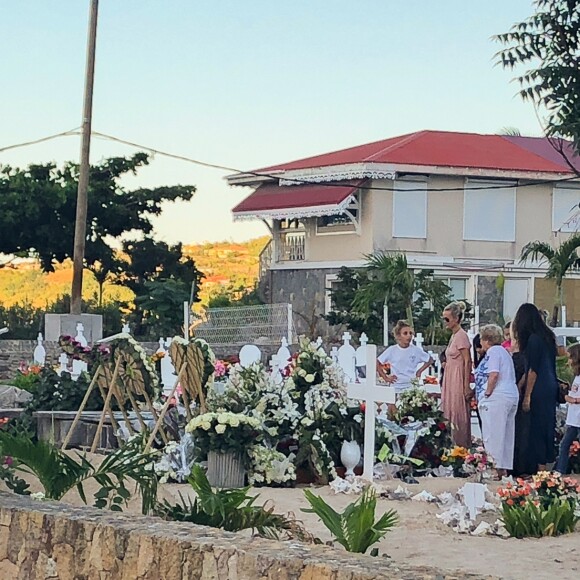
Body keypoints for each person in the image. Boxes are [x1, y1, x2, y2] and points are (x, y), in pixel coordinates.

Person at [511, 303, 559, 474]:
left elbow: (533, 370)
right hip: (550, 386)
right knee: (547, 424)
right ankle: (544, 464)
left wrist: (527, 396)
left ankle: (539, 469)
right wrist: (520, 384)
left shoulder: (533, 340)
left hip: (538, 388)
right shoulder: (547, 337)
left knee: (536, 426)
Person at [476, 324, 519, 478]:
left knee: (493, 433)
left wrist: (487, 392)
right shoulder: (505, 352)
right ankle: (504, 468)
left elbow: (493, 374)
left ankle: (493, 468)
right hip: (511, 394)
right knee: (506, 433)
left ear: (486, 339)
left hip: (498, 395)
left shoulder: (493, 352)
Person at [441, 301, 472, 448]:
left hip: (457, 377)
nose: (445, 322)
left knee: (458, 412)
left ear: (456, 318)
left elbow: (468, 361)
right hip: (450, 376)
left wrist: (466, 385)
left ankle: (460, 446)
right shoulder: (454, 336)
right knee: (449, 410)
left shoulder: (461, 336)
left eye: (447, 319)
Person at [377, 320, 433, 392]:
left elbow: (430, 360)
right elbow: (377, 362)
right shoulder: (392, 350)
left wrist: (419, 371)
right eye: (405, 333)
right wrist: (385, 377)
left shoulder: (416, 350)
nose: (409, 336)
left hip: (410, 386)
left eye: (410, 333)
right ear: (399, 336)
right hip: (396, 386)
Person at [555, 343, 580, 474]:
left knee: (564, 445)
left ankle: (561, 470)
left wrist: (573, 400)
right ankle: (560, 470)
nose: (569, 361)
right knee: (564, 445)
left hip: (577, 417)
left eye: (570, 358)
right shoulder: (576, 377)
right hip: (574, 418)